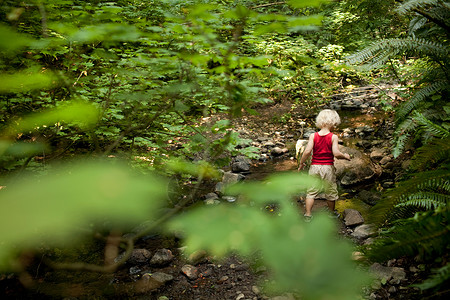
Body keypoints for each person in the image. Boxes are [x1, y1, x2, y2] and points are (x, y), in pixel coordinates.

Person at [298, 109, 351, 221]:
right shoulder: (333, 137)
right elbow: (336, 153)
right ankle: (331, 213)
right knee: (330, 190)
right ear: (333, 122)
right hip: (327, 168)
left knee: (311, 191)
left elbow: (307, 151)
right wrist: (345, 156)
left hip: (314, 167)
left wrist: (301, 162)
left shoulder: (313, 136)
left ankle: (307, 214)